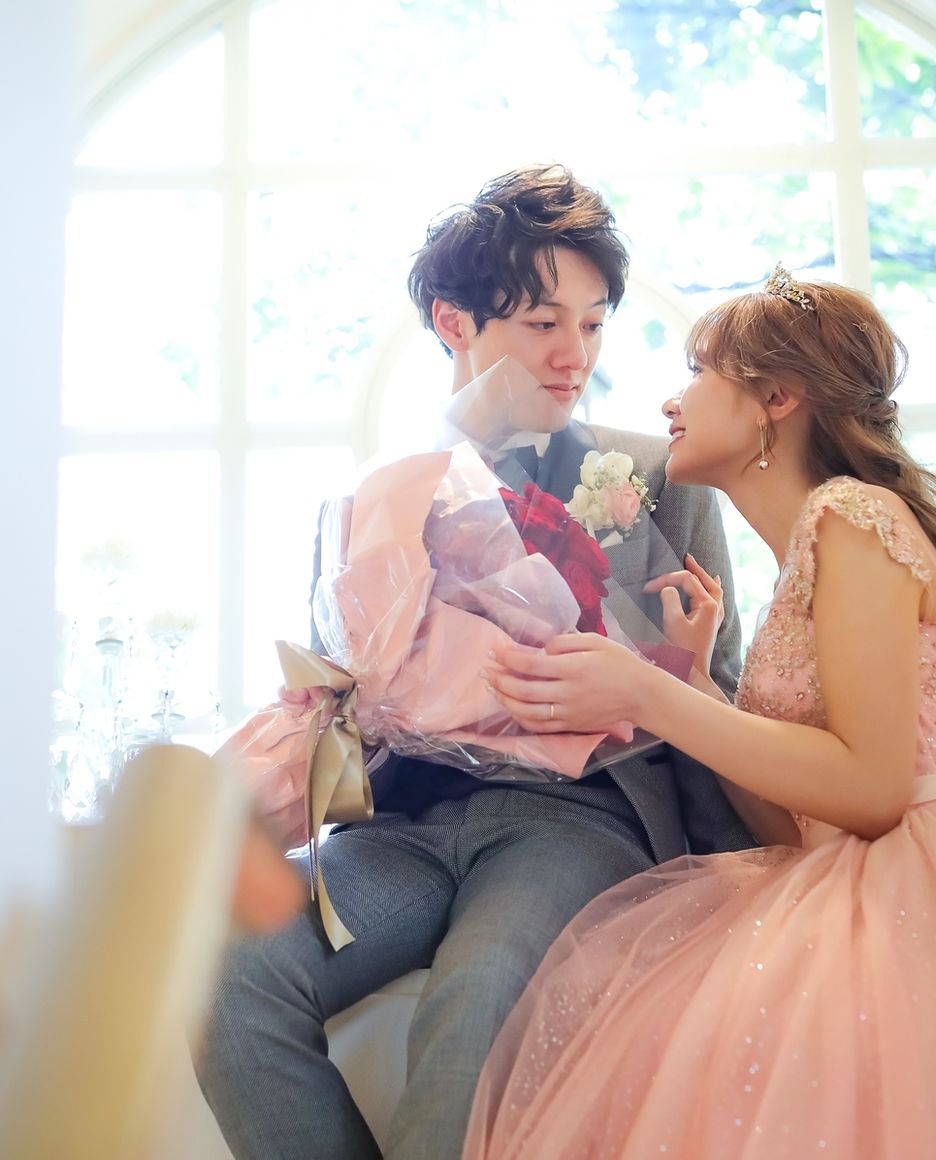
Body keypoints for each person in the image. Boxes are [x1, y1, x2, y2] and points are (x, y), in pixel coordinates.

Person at [194, 164, 754, 1159]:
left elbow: (720, 693)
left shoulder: (657, 478)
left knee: (478, 998)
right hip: (401, 823)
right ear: (454, 322)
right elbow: (334, 698)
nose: (574, 355)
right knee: (223, 970)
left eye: (592, 324)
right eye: (543, 323)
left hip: (578, 820)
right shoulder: (373, 495)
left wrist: (729, 882)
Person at [466, 266, 936, 1159]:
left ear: (777, 399)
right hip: (838, 872)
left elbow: (876, 790)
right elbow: (801, 827)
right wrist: (700, 683)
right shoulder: (803, 557)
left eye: (698, 373)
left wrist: (652, 694)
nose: (672, 401)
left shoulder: (852, 514)